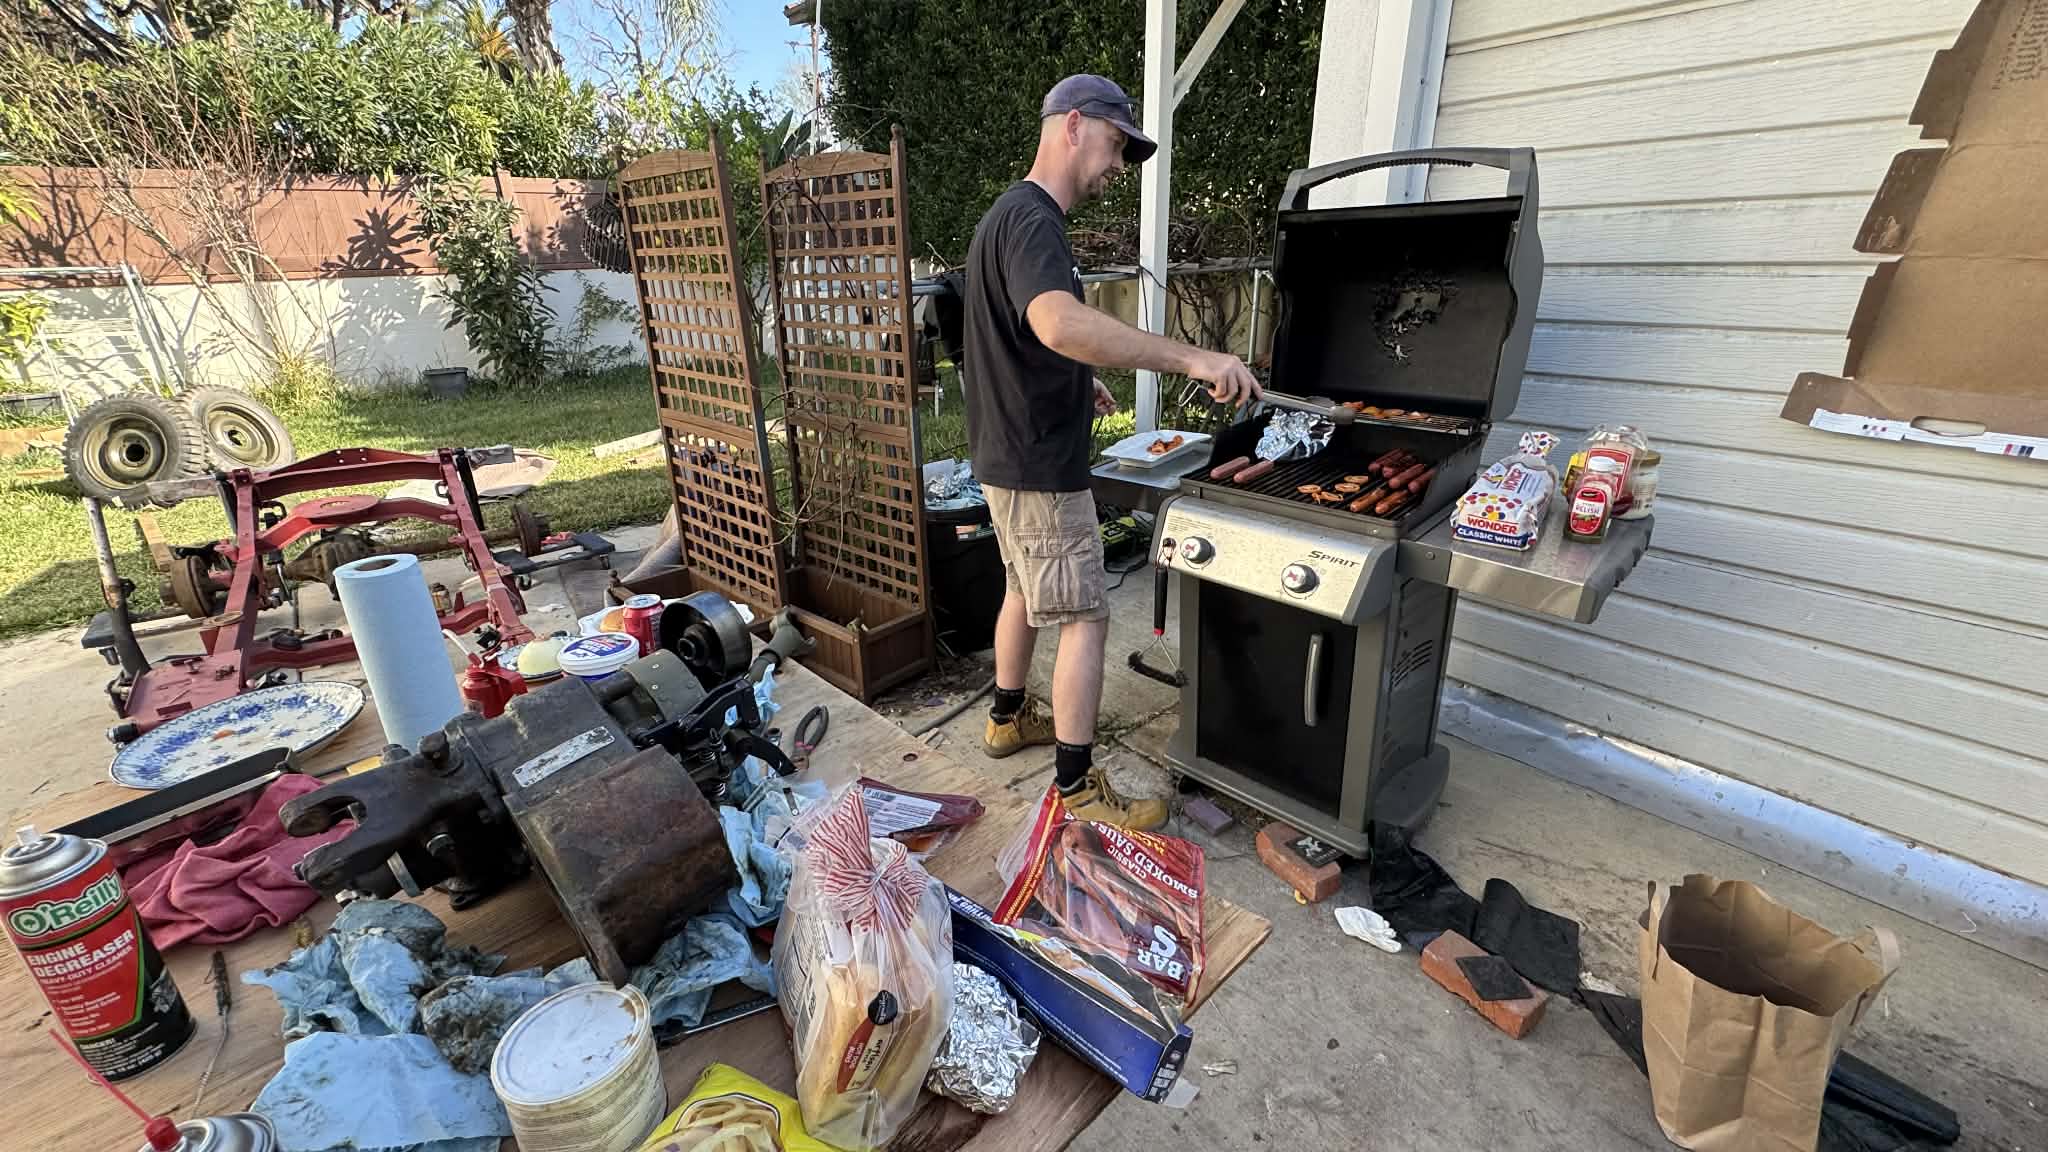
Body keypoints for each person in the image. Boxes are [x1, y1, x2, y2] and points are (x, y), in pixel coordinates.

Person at [962, 74, 1262, 830]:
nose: (1119, 165)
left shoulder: (1005, 217)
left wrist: (1075, 381)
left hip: (1006, 452)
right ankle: (1075, 786)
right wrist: (1192, 359)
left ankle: (1006, 719)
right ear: (1071, 124)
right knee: (1086, 616)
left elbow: (1022, 336)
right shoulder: (1035, 220)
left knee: (1024, 588)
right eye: (1115, 144)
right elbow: (1058, 322)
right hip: (1037, 463)